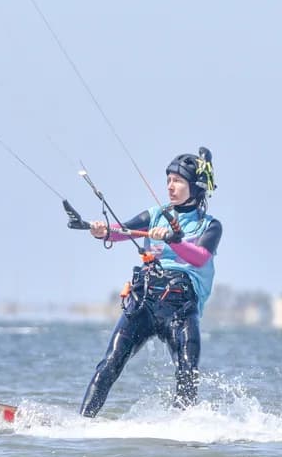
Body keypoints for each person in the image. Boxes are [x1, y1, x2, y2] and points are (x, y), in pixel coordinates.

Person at [79, 147, 222, 417]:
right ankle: (82, 421)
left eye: (177, 181)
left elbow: (201, 257)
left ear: (196, 186)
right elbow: (121, 231)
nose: (170, 186)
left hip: (180, 308)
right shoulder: (155, 214)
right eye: (168, 179)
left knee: (187, 371)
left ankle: (184, 427)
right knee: (110, 362)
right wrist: (102, 232)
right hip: (144, 302)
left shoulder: (210, 226)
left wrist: (172, 239)